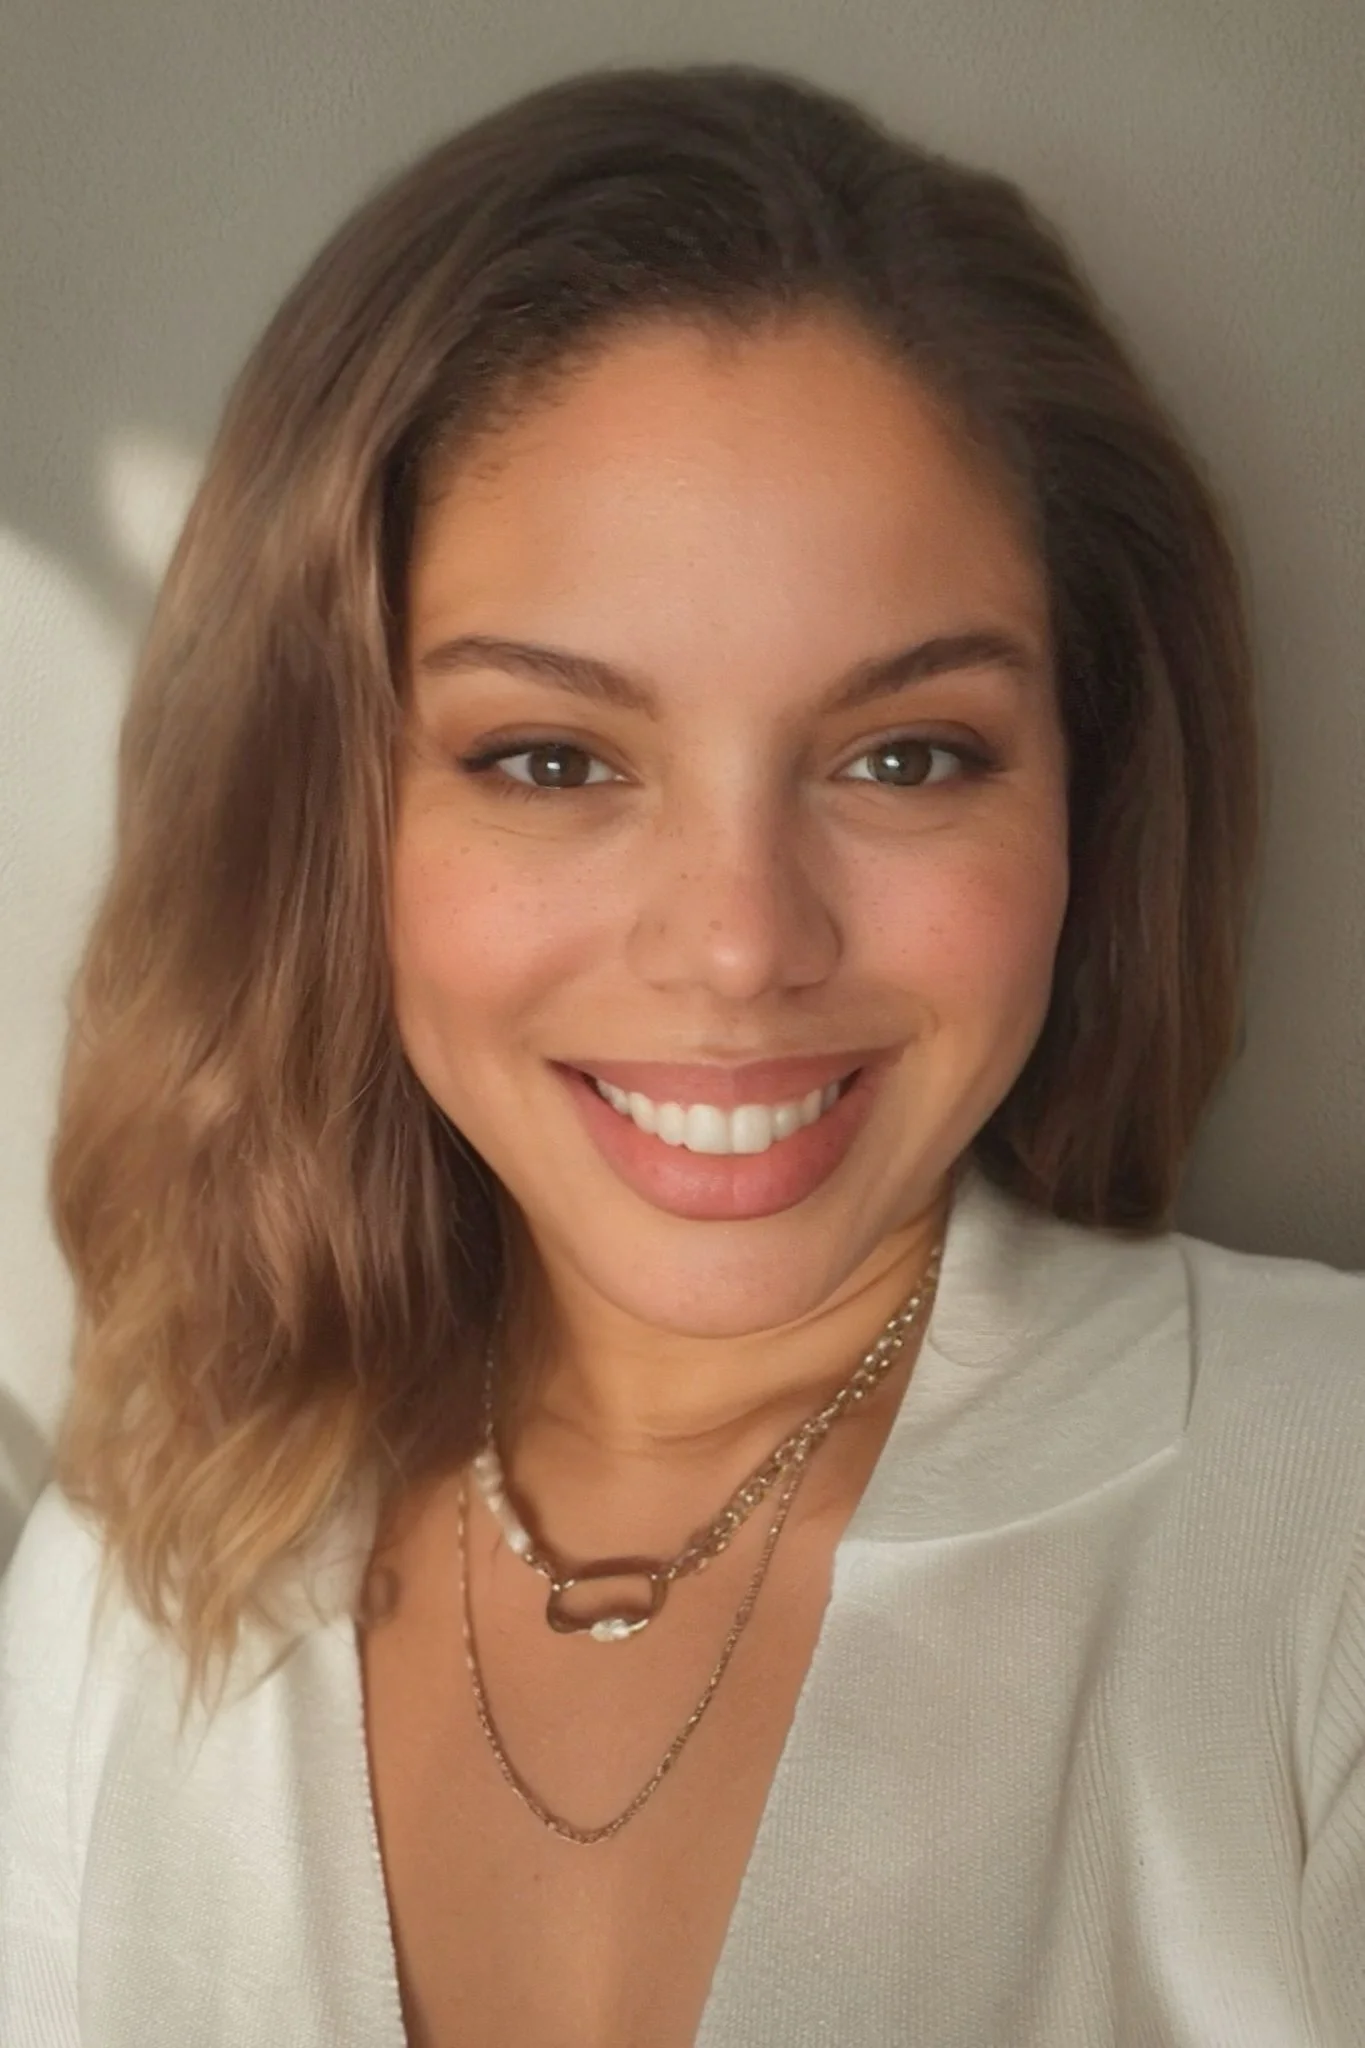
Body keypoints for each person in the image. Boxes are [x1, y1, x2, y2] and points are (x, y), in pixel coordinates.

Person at [0, 56, 1361, 2048]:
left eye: (904, 755)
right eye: (550, 758)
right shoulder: (136, 1570)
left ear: (1089, 789)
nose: (739, 942)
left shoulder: (1322, 1518)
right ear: (324, 816)